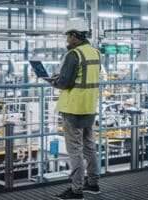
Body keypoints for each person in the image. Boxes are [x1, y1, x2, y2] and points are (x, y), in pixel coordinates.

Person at [46, 18, 101, 200]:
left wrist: (55, 81)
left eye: (68, 35)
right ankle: (93, 184)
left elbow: (65, 83)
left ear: (75, 35)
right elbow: (83, 75)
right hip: (90, 106)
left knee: (75, 150)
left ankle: (76, 190)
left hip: (73, 108)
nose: (67, 39)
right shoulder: (95, 52)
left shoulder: (73, 54)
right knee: (90, 146)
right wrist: (63, 75)